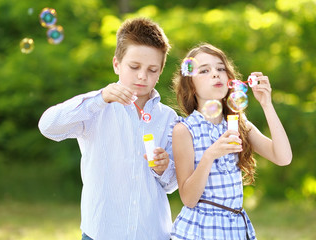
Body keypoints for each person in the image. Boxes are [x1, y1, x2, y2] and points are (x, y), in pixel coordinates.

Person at [38, 18, 178, 240]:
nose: (142, 76)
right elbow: (48, 126)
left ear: (160, 71)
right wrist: (99, 100)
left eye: (152, 69)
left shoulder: (169, 118)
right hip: (101, 232)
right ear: (116, 64)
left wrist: (164, 168)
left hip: (153, 233)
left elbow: (171, 185)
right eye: (134, 67)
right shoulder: (95, 107)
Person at [170, 43, 292, 240]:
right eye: (204, 70)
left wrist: (266, 104)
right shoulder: (184, 130)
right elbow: (188, 199)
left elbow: (283, 157)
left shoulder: (238, 124)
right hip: (201, 230)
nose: (216, 74)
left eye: (220, 68)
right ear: (191, 86)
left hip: (235, 228)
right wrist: (210, 155)